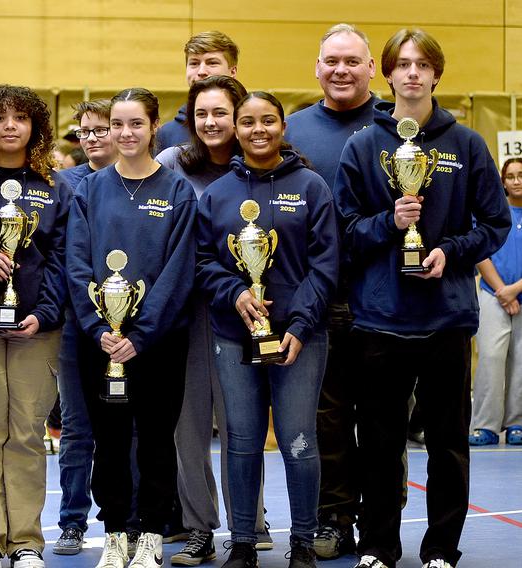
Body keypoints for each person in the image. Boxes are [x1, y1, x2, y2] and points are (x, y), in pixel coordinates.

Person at [333, 28, 511, 568]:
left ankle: (440, 550)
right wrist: (390, 222)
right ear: (386, 74)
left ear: (436, 74)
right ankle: (380, 546)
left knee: (448, 448)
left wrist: (451, 252)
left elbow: (495, 222)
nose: (412, 73)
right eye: (402, 64)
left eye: (422, 64)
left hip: (447, 319)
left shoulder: (467, 144)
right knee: (380, 447)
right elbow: (345, 231)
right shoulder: (363, 145)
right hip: (380, 319)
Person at [196, 92, 338, 568]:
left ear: (283, 126)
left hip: (301, 338)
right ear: (236, 129)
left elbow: (325, 264)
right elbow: (203, 261)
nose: (259, 130)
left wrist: (300, 322)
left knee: (299, 439)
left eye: (269, 121)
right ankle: (241, 543)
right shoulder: (217, 194)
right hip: (234, 335)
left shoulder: (313, 186)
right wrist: (236, 294)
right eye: (248, 122)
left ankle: (302, 541)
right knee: (241, 439)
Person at [67, 87, 196, 568]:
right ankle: (117, 530)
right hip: (100, 341)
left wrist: (139, 335)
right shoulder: (88, 190)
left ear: (153, 126)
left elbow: (179, 269)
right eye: (116, 124)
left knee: (158, 437)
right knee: (110, 438)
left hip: (158, 343)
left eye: (135, 124)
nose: (124, 133)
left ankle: (152, 534)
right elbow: (77, 264)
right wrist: (99, 327)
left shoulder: (177, 190)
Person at [155, 75, 271, 565]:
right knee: (189, 426)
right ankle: (198, 527)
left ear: (239, 116)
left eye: (221, 113)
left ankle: (251, 521)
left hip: (239, 311)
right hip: (183, 313)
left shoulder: (263, 171)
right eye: (201, 114)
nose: (211, 122)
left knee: (241, 424)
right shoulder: (172, 166)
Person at [0, 84, 71, 568]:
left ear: (34, 127)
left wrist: (43, 314)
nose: (9, 125)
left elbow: (67, 260)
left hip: (37, 329)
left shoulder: (55, 187)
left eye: (20, 117)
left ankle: (25, 540)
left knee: (25, 433)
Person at [284, 23, 378, 560]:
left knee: (383, 417)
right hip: (318, 300)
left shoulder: (397, 128)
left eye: (351, 61)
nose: (340, 70)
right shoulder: (292, 130)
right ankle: (335, 518)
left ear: (370, 69)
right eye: (331, 61)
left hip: (389, 299)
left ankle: (381, 519)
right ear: (317, 68)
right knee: (328, 417)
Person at [53, 99, 119, 556]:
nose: (92, 138)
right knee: (76, 428)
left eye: (101, 129)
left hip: (128, 328)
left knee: (125, 426)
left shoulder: (139, 182)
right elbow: (62, 258)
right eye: (84, 131)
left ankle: (125, 516)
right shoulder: (65, 185)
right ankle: (71, 521)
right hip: (78, 325)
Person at [469, 157, 522, 446]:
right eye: (510, 176)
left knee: (521, 363)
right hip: (493, 295)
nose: (516, 181)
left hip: (518, 294)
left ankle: (517, 423)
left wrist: (515, 289)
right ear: (502, 181)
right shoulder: (492, 212)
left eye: (521, 175)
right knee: (490, 358)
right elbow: (480, 251)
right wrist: (503, 290)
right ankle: (485, 425)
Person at [156, 31, 239, 152]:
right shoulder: (166, 134)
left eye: (212, 63)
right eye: (194, 63)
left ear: (232, 71)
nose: (201, 71)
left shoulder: (253, 125)